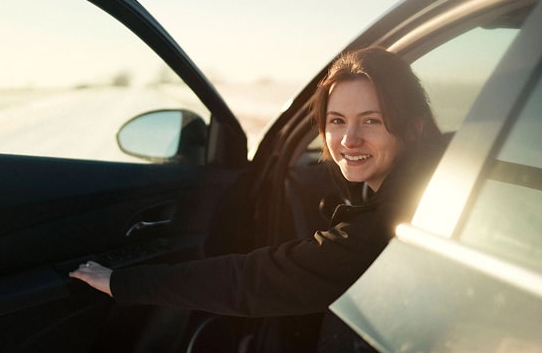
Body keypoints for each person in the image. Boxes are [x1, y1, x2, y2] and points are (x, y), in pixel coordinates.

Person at [69, 46, 444, 317]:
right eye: (337, 121)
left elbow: (252, 280)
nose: (349, 140)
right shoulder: (441, 178)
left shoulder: (389, 223)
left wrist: (122, 282)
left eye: (371, 120)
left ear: (414, 127)